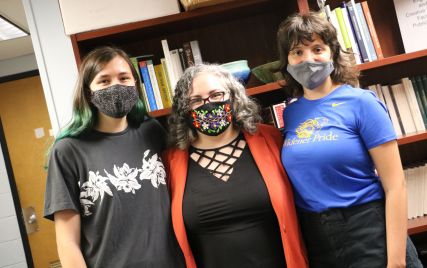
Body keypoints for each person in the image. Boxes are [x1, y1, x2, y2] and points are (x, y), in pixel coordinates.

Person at [277, 12, 422, 268]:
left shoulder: (361, 102)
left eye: (317, 49)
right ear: (287, 60)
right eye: (297, 51)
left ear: (332, 52)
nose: (307, 59)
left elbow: (396, 186)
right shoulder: (291, 113)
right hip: (318, 238)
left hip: (368, 229)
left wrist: (396, 262)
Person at [43, 46, 185, 268]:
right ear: (89, 92)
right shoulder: (67, 151)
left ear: (136, 84)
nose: (116, 86)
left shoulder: (152, 131)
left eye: (124, 77)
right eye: (104, 80)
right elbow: (67, 242)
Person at [164, 63, 308, 268]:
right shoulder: (170, 163)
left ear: (233, 97)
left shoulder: (271, 139)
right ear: (184, 109)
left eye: (216, 95)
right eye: (196, 100)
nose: (208, 104)